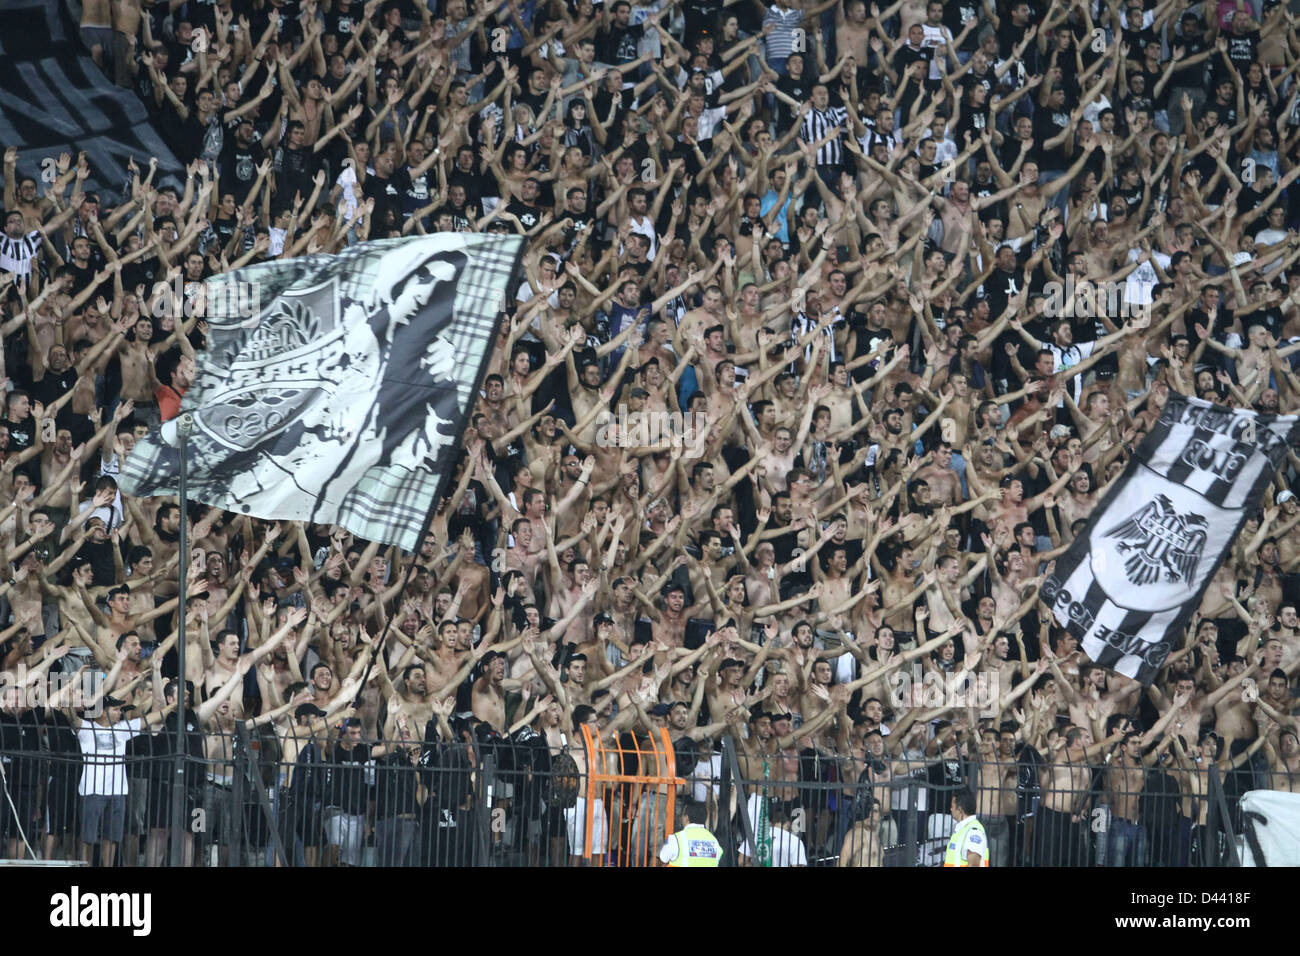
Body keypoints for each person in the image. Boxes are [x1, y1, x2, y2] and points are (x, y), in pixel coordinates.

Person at [658, 801, 723, 867]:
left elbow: (663, 858)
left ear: (686, 818)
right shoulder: (714, 840)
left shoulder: (676, 839)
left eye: (682, 815)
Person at [944, 788, 988, 867]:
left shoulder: (973, 831)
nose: (950, 809)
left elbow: (974, 865)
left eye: (952, 806)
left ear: (960, 809)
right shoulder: (964, 829)